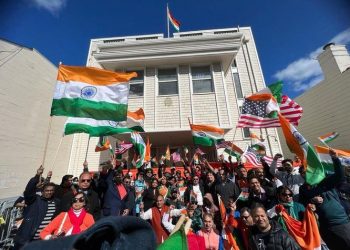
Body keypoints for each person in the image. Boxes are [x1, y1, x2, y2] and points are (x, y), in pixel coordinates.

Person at [299, 149, 350, 249]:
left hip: (342, 223)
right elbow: (302, 203)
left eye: (307, 171)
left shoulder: (325, 181)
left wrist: (335, 158)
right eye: (302, 172)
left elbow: (339, 175)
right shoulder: (304, 188)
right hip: (325, 227)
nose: (305, 174)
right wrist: (312, 201)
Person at [14, 166, 60, 249]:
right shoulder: (35, 199)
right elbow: (28, 191)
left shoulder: (56, 202)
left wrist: (48, 177)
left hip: (44, 239)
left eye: (51, 190)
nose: (49, 192)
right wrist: (37, 175)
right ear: (42, 191)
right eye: (47, 190)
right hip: (28, 239)